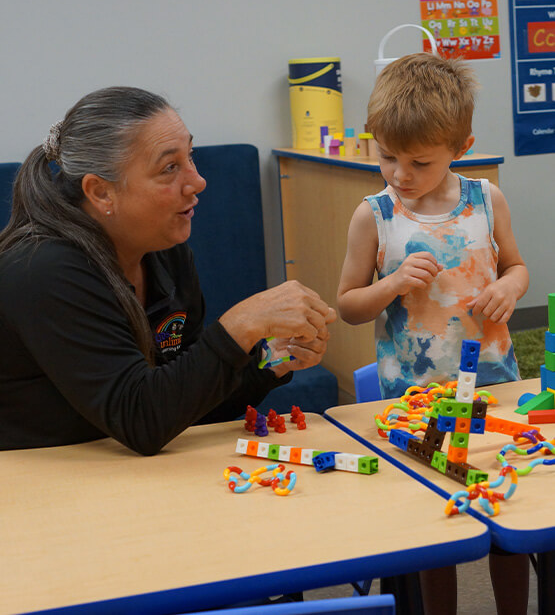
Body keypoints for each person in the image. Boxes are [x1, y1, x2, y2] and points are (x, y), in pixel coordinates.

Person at [0, 86, 336, 457]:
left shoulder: (164, 251)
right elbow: (141, 418)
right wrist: (241, 325)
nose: (197, 182)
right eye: (169, 168)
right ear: (100, 192)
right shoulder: (44, 270)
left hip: (113, 465)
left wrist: (272, 359)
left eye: (190, 158)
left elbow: (184, 399)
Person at [337, 54, 529, 615]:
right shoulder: (373, 215)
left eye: (419, 162)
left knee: (506, 514)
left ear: (461, 147)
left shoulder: (486, 202)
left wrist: (512, 288)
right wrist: (392, 282)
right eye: (387, 157)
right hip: (414, 399)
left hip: (493, 389)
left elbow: (518, 266)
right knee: (435, 530)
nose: (400, 174)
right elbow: (348, 305)